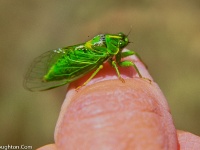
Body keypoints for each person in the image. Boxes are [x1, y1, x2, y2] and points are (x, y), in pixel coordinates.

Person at [38, 53, 200, 150]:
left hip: (78, 54)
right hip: (76, 61)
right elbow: (115, 64)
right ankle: (50, 75)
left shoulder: (114, 53)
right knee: (98, 66)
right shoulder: (109, 54)